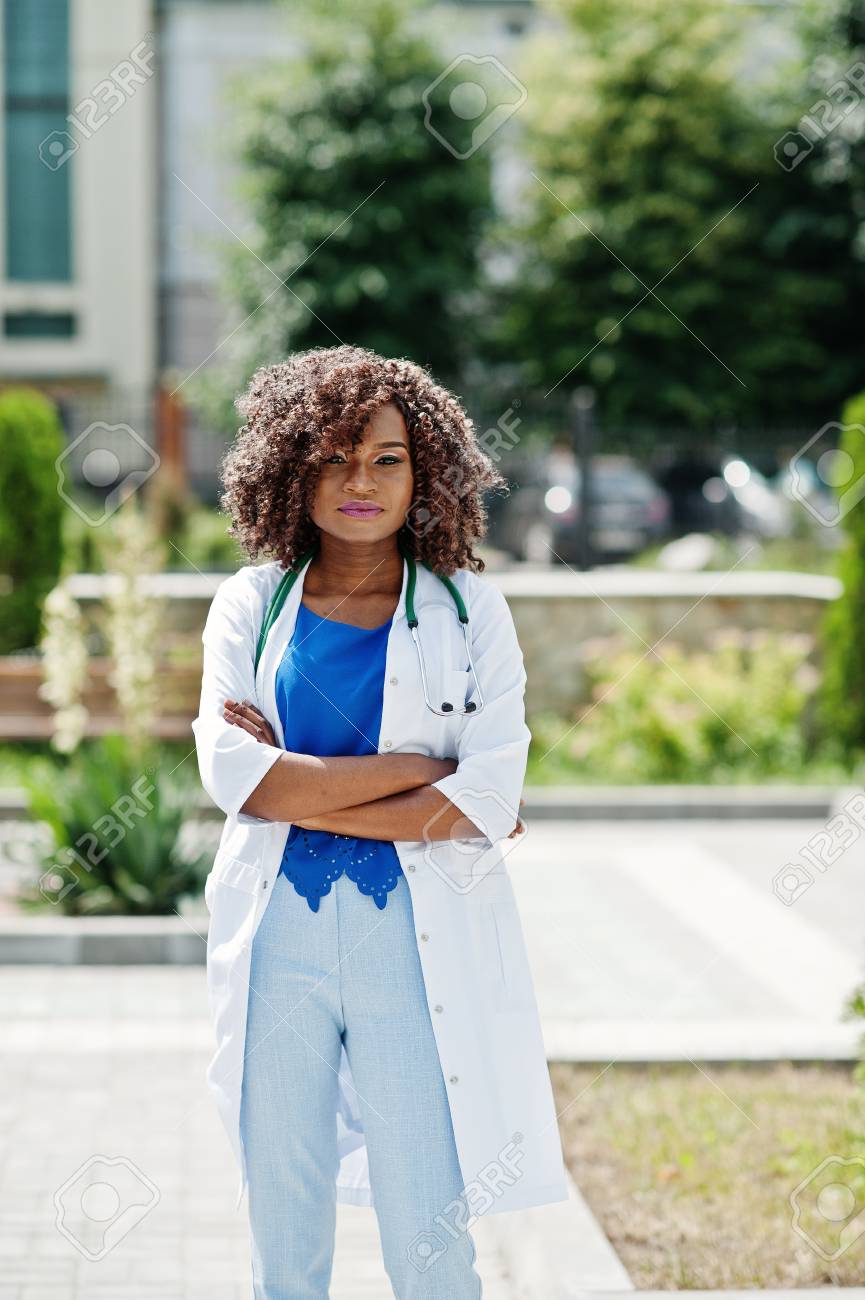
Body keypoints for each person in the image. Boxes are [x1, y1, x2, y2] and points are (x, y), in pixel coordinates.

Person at [191, 344, 570, 1300]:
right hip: (278, 937)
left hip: (413, 943)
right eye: (333, 455)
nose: (360, 480)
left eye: (387, 458)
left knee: (429, 1230)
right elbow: (238, 779)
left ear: (424, 472)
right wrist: (417, 774)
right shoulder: (249, 605)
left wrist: (307, 781)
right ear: (292, 465)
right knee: (284, 1227)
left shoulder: (468, 612)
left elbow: (486, 801)